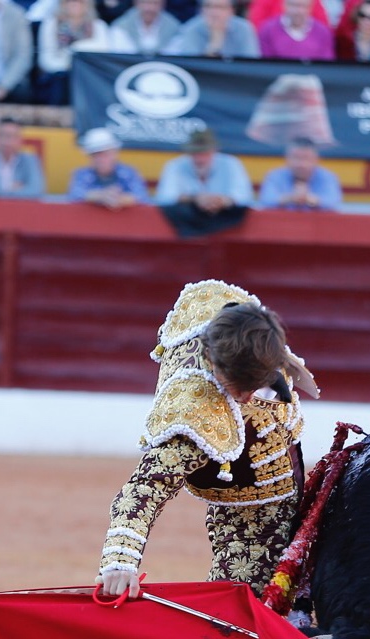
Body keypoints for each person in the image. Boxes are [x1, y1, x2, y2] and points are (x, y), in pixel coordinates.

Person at [95, 278, 319, 601]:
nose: (245, 396)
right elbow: (144, 489)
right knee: (245, 615)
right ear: (213, 362)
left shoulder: (232, 318)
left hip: (290, 485)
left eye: (255, 384)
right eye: (236, 385)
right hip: (249, 524)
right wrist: (120, 560)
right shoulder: (196, 413)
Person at [155, 127, 254, 237]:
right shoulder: (175, 165)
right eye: (195, 153)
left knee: (238, 210)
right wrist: (195, 199)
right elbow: (164, 197)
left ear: (214, 150)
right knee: (178, 210)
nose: (199, 159)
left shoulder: (231, 164)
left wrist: (220, 201)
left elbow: (244, 197)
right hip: (190, 217)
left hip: (224, 217)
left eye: (204, 153)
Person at [37, 0, 109, 106]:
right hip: (59, 75)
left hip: (90, 75)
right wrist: (69, 63)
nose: (74, 4)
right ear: (62, 4)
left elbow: (104, 55)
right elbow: (46, 60)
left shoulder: (99, 26)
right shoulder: (51, 24)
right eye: (69, 1)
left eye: (80, 2)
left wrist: (77, 48)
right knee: (62, 82)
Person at [68, 127, 150, 209]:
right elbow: (74, 195)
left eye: (105, 154)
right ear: (90, 157)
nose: (101, 159)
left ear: (115, 154)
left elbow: (142, 197)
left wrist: (121, 199)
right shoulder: (81, 174)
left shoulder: (129, 172)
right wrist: (100, 196)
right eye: (96, 154)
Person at [258, 136, 343, 211]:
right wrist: (291, 198)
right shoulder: (275, 176)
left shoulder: (328, 177)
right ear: (287, 158)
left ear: (316, 160)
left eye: (306, 158)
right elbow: (266, 200)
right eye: (296, 158)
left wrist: (308, 199)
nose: (301, 164)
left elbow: (333, 203)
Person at [167, 0, 261, 56]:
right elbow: (193, 65)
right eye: (208, 6)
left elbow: (251, 61)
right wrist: (214, 44)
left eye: (220, 7)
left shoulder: (244, 28)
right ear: (201, 10)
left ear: (231, 10)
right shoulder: (191, 28)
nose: (214, 12)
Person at [257, 0, 336, 59]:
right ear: (284, 5)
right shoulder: (268, 30)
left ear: (310, 7)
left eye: (302, 6)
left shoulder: (323, 33)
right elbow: (266, 65)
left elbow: (326, 66)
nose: (298, 11)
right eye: (293, 5)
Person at [108, 0, 180, 53]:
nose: (149, 8)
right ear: (136, 3)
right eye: (145, 2)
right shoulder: (121, 26)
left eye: (155, 3)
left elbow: (174, 53)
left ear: (163, 4)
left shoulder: (173, 27)